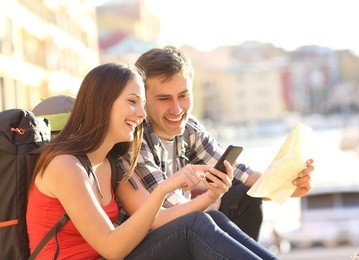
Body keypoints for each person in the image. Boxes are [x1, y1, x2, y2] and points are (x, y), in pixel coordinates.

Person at [26, 62, 279, 259]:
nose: (141, 113)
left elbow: (152, 222)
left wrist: (209, 198)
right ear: (102, 103)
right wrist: (164, 189)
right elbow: (112, 248)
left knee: (212, 219)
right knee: (191, 227)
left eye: (143, 104)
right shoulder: (64, 165)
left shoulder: (110, 162)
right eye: (132, 102)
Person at [121, 46, 314, 241]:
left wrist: (287, 186)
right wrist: (210, 202)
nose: (177, 109)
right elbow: (168, 212)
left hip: (186, 227)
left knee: (242, 197)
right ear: (143, 100)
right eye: (164, 99)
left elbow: (239, 174)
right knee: (209, 219)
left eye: (183, 95)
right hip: (151, 242)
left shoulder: (189, 128)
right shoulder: (135, 136)